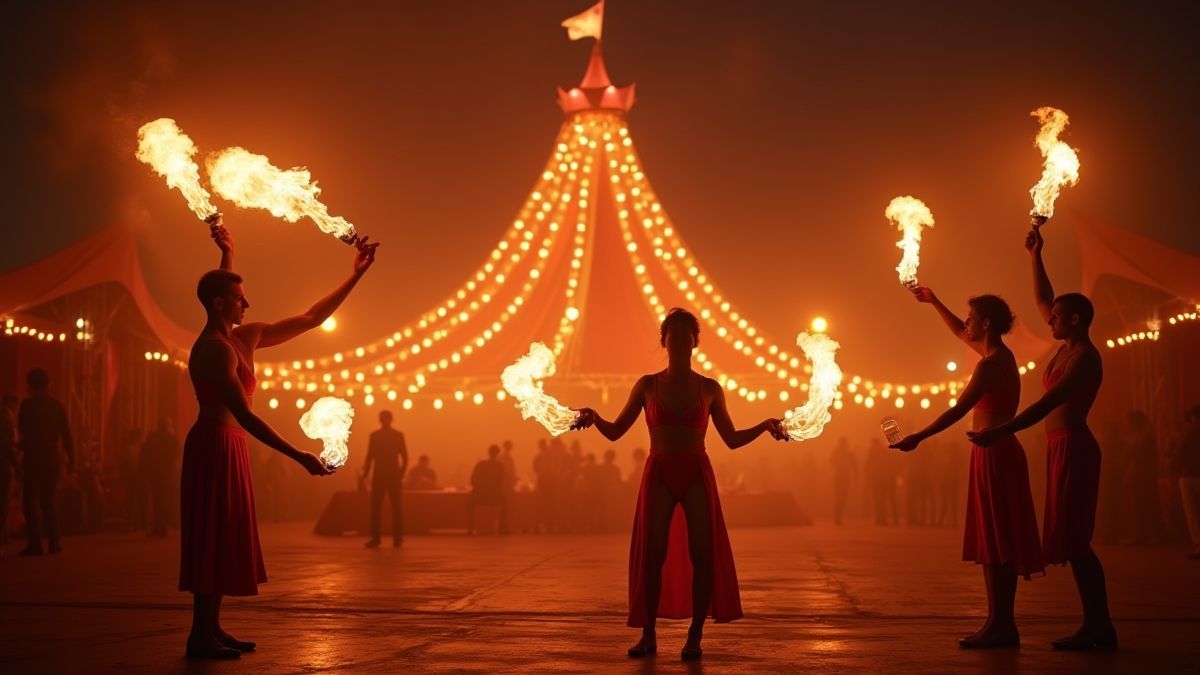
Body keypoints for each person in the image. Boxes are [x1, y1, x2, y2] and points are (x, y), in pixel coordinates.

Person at [179, 216, 375, 659]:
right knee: (211, 533)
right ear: (218, 304)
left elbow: (311, 317)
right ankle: (199, 634)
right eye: (238, 299)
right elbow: (244, 416)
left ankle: (212, 627)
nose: (247, 305)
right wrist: (298, 455)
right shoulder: (212, 351)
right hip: (214, 444)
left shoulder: (244, 338)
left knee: (226, 532)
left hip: (231, 446)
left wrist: (355, 274)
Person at [572, 308, 786, 661]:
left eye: (687, 339)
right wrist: (593, 417)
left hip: (696, 472)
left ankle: (695, 636)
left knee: (702, 555)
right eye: (675, 338)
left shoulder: (710, 389)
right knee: (652, 555)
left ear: (695, 343)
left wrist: (764, 425)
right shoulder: (647, 385)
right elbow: (614, 432)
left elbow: (730, 438)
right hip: (659, 472)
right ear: (664, 342)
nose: (681, 344)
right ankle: (649, 635)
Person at [968, 221, 1116, 650]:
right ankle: (1096, 624)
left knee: (1075, 541)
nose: (1046, 318)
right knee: (1068, 540)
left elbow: (1046, 406)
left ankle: (1100, 625)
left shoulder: (1084, 358)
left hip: (1075, 446)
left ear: (1072, 320)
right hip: (1056, 449)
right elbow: (1042, 298)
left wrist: (1002, 430)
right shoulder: (1065, 347)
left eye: (1054, 318)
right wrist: (1036, 255)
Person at [893, 289, 1043, 648]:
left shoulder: (990, 365)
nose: (967, 324)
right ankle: (999, 621)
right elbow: (959, 331)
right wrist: (933, 301)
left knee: (997, 539)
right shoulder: (999, 355)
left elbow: (958, 411)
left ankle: (1001, 624)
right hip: (993, 451)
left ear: (986, 324)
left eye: (972, 318)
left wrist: (919, 436)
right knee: (997, 537)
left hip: (994, 453)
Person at [17, 368, 73, 556]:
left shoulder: (27, 405)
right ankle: (54, 541)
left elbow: (22, 429)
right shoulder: (58, 406)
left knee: (30, 501)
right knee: (49, 500)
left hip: (33, 458)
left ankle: (35, 543)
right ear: (48, 385)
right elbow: (67, 435)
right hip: (52, 458)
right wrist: (71, 461)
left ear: (30, 385)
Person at [361, 410, 408, 548]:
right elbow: (405, 457)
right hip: (393, 475)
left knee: (376, 508)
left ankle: (376, 538)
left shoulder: (374, 436)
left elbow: (369, 457)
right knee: (396, 508)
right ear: (391, 419)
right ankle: (397, 538)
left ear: (379, 420)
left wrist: (364, 476)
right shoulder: (398, 436)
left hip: (380, 475)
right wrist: (401, 473)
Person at [141, 417, 179, 538]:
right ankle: (163, 527)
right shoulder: (171, 438)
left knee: (158, 501)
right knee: (166, 500)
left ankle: (159, 527)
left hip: (156, 474)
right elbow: (178, 452)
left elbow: (145, 454)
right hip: (168, 474)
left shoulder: (153, 438)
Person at [1176, 405, 1200, 559]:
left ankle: (1199, 544)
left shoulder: (1188, 431)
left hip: (1188, 475)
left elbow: (1179, 452)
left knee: (1193, 512)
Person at [468, 444, 507, 535]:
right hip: (494, 495)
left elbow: (473, 479)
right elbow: (500, 482)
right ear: (497, 454)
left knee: (469, 505)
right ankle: (502, 528)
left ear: (488, 452)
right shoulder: (499, 466)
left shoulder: (480, 464)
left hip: (479, 495)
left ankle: (470, 527)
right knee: (506, 506)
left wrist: (479, 489)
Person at [0, 394, 18, 550]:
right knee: (3, 501)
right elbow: (7, 444)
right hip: (4, 464)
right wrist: (17, 463)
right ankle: (2, 535)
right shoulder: (6, 419)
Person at [829, 437, 857, 525]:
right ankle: (838, 517)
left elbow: (831, 461)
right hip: (845, 477)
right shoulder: (849, 453)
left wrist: (838, 466)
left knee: (838, 497)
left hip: (838, 476)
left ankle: (837, 517)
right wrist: (856, 477)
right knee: (842, 497)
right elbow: (854, 465)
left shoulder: (837, 452)